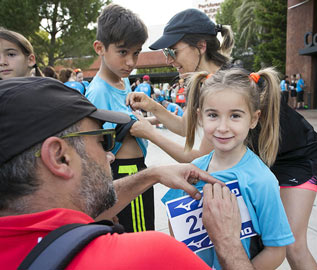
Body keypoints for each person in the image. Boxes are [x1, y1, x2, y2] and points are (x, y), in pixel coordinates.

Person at [127, 8, 317, 269]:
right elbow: (188, 126)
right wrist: (154, 107)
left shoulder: (233, 81)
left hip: (296, 156)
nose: (169, 59)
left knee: (294, 246)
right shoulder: (204, 82)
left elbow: (197, 157)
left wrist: (150, 133)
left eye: (173, 51)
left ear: (200, 46)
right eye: (167, 53)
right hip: (263, 155)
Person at [0, 76, 251, 270]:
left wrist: (151, 174)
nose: (110, 155)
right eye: (103, 141)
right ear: (60, 156)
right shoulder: (150, 255)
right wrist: (228, 243)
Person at [162, 68, 294, 269]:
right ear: (200, 117)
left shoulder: (261, 180)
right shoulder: (192, 171)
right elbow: (175, 223)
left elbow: (276, 251)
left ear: (254, 119)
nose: (223, 127)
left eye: (235, 116)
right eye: (213, 115)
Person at [85, 4, 154, 232]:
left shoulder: (122, 81)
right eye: (123, 52)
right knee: (138, 238)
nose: (131, 62)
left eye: (136, 53)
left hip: (137, 169)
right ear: (100, 48)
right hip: (124, 172)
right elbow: (92, 145)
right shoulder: (97, 92)